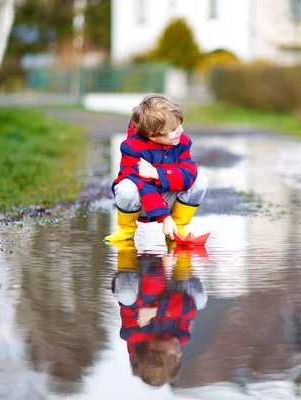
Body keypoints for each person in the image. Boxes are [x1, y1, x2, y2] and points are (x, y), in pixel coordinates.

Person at [104, 94, 208, 243]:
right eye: (173, 129)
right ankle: (125, 229)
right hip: (141, 204)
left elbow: (188, 174)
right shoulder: (131, 148)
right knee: (126, 187)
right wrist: (164, 217)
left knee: (199, 179)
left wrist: (157, 173)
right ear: (152, 135)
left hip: (168, 199)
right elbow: (143, 185)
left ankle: (178, 226)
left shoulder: (182, 143)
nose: (181, 130)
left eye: (180, 125)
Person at [111, 241, 206, 386]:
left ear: (153, 349)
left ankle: (126, 251)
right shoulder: (180, 336)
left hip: (143, 273)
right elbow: (188, 306)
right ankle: (181, 252)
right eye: (178, 357)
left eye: (173, 356)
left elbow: (146, 294)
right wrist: (156, 310)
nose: (180, 353)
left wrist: (162, 268)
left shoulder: (134, 333)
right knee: (199, 300)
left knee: (126, 295)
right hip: (170, 275)